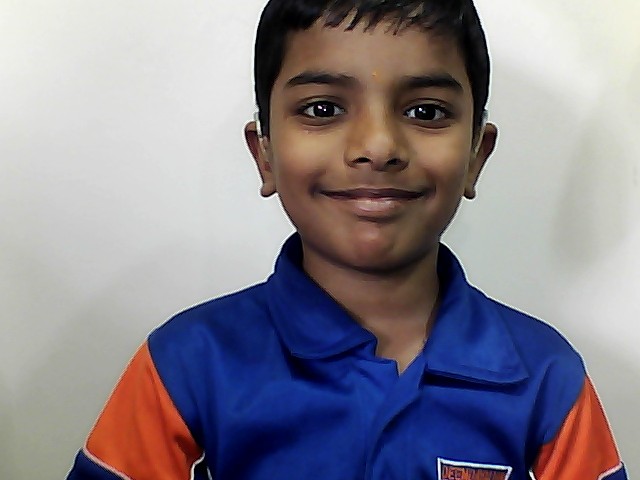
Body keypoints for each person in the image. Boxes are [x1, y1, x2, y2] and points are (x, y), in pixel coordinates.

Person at [66, 0, 628, 479]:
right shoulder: (185, 363)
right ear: (265, 154)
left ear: (476, 156)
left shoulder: (547, 376)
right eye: (323, 109)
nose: (377, 146)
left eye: (425, 111)